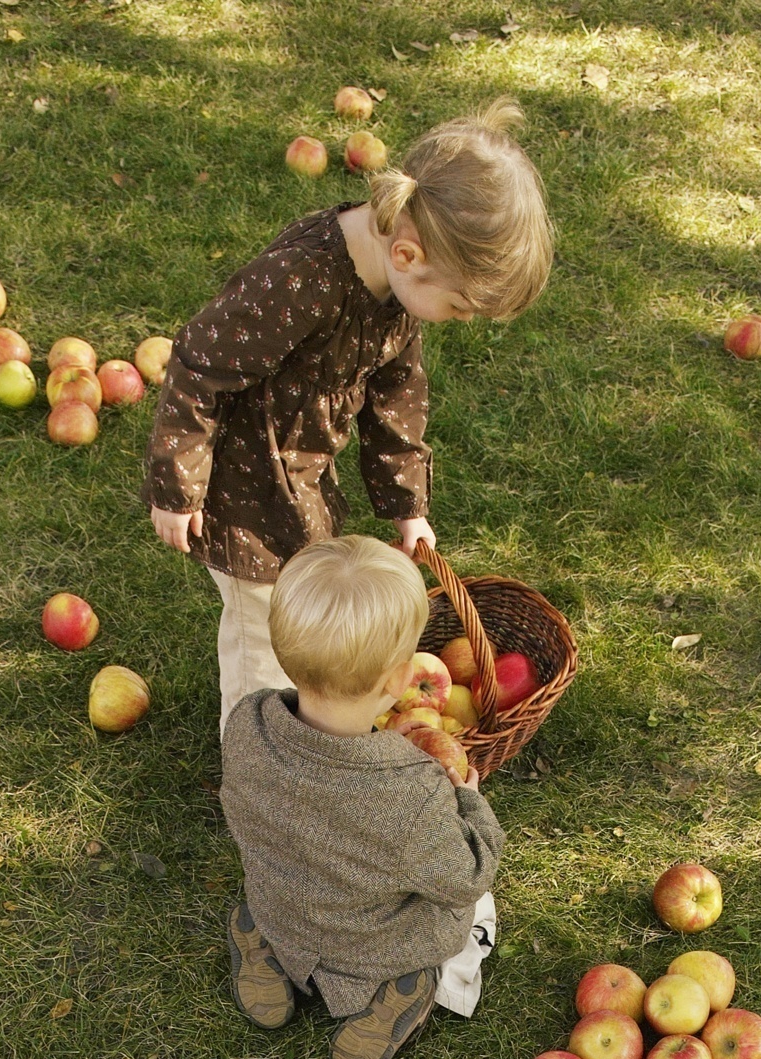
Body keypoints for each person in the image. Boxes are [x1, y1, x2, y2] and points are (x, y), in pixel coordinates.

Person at [143, 99, 553, 732]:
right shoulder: (301, 280)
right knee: (266, 637)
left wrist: (407, 505)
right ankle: (255, 763)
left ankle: (305, 732)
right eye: (462, 306)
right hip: (244, 482)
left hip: (300, 473)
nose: (462, 321)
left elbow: (396, 394)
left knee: (303, 615)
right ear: (412, 255)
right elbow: (199, 361)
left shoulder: (394, 288)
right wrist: (178, 483)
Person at [220, 536, 503, 1059]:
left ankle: (266, 943)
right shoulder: (410, 790)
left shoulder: (247, 723)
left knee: (278, 894)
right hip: (374, 945)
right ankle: (395, 990)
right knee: (451, 915)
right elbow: (467, 875)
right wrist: (469, 803)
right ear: (400, 680)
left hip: (283, 901)